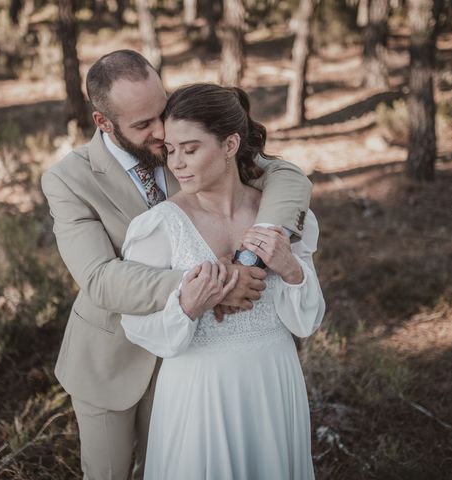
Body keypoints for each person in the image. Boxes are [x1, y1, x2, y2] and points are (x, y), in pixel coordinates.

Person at [41, 50, 312, 480]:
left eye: (161, 111)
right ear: (103, 122)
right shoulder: (68, 180)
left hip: (191, 365)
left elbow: (288, 178)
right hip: (112, 358)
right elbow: (100, 279)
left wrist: (250, 256)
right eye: (143, 124)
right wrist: (215, 283)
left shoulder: (185, 144)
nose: (161, 130)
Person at [120, 83, 325, 479]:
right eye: (171, 150)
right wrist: (190, 305)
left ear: (230, 144)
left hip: (273, 378)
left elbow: (307, 322)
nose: (176, 163)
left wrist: (291, 269)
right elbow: (136, 325)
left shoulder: (280, 218)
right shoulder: (158, 227)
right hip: (200, 392)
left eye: (191, 149)